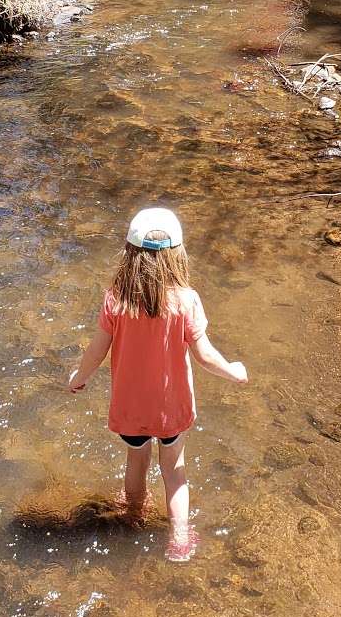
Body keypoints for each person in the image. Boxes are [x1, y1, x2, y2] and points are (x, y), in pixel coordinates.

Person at [68, 207, 248, 562]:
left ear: (129, 255)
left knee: (136, 461)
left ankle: (133, 515)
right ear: (177, 255)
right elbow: (205, 356)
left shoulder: (116, 300)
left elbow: (96, 352)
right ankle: (179, 538)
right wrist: (234, 371)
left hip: (131, 407)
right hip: (171, 410)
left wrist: (79, 377)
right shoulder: (186, 300)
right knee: (174, 470)